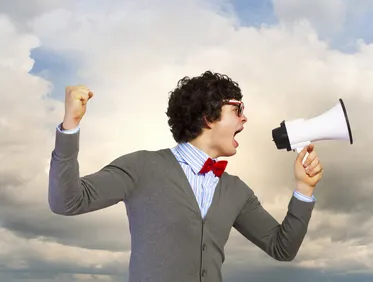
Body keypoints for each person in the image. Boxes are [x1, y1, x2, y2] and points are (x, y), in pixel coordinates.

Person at [48, 71, 324, 282]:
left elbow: (282, 248)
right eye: (237, 109)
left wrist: (304, 188)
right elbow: (66, 202)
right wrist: (70, 126)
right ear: (208, 117)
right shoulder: (141, 166)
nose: (245, 119)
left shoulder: (237, 191)